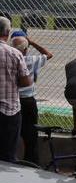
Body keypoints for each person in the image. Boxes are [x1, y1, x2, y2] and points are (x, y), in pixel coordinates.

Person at [11, 34, 53, 165]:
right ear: (26, 49)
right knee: (31, 132)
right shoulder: (31, 60)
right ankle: (32, 160)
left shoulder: (9, 58)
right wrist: (32, 42)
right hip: (28, 100)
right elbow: (48, 54)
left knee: (12, 130)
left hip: (13, 99)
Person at [0, 17, 31, 162]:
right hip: (9, 110)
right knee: (8, 153)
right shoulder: (15, 53)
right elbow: (26, 82)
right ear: (7, 32)